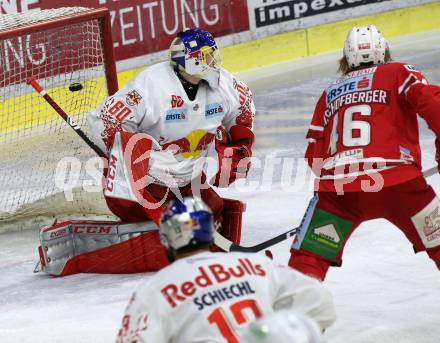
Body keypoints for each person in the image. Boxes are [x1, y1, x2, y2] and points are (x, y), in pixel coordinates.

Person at [36, 28, 256, 277]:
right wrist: (145, 158)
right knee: (169, 246)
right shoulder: (151, 86)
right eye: (206, 56)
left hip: (186, 181)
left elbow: (244, 109)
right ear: (189, 60)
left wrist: (240, 144)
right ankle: (71, 248)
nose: (213, 61)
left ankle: (167, 228)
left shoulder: (224, 84)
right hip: (143, 185)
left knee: (214, 212)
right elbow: (104, 120)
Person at [288, 25, 440, 281]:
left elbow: (314, 156)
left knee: (308, 261)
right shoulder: (399, 72)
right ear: (383, 51)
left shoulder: (329, 94)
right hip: (399, 184)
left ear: (347, 57)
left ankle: (297, 318)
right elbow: (433, 103)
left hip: (339, 192)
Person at [116, 197, 336, 343]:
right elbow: (321, 302)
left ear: (166, 239)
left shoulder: (155, 289)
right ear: (211, 232)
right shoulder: (255, 264)